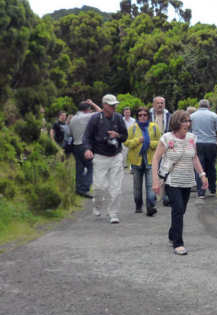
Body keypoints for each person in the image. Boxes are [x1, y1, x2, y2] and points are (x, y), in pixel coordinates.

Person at [152, 109, 208, 255]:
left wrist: (202, 175)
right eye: (184, 121)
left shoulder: (192, 138)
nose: (187, 124)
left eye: (189, 121)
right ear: (176, 122)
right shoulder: (166, 138)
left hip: (187, 180)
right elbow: (156, 158)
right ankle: (178, 243)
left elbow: (194, 157)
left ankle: (172, 233)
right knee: (177, 209)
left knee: (181, 210)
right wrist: (155, 180)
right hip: (172, 180)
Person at [84, 94, 128, 224]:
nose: (114, 107)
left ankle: (113, 213)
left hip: (116, 156)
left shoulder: (118, 118)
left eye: (115, 104)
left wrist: (117, 135)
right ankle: (97, 204)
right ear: (104, 105)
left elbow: (125, 136)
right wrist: (87, 149)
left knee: (116, 188)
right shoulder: (95, 119)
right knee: (99, 187)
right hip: (100, 156)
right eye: (111, 105)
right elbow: (87, 136)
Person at [125, 106, 161, 216]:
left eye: (145, 115)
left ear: (148, 116)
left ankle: (150, 206)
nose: (142, 117)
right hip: (136, 161)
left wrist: (149, 143)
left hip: (150, 161)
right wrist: (138, 140)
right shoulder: (133, 128)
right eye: (140, 115)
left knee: (150, 186)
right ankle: (138, 205)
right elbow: (126, 142)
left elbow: (160, 142)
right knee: (137, 187)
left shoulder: (154, 127)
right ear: (137, 117)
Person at [190, 100, 217, 199]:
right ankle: (212, 189)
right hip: (211, 143)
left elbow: (188, 130)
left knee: (199, 167)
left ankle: (201, 192)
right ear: (209, 107)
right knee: (211, 167)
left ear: (199, 106)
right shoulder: (213, 115)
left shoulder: (192, 116)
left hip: (197, 143)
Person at [67, 99, 100, 198]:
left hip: (75, 145)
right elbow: (101, 112)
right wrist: (92, 103)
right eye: (89, 109)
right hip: (85, 145)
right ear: (87, 109)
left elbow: (69, 133)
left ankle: (79, 188)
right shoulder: (86, 116)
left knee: (79, 168)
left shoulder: (73, 119)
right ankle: (85, 188)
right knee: (91, 166)